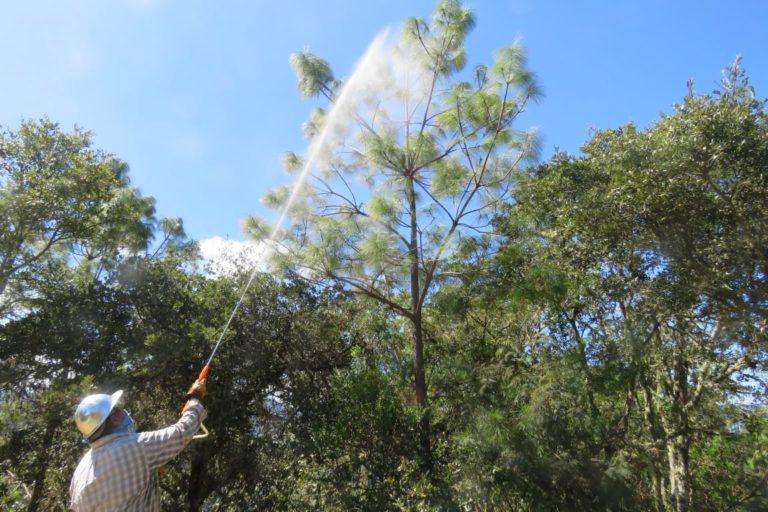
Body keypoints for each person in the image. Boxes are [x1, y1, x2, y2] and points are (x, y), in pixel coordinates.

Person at [69, 379, 208, 511]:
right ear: (115, 418)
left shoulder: (81, 469)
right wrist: (195, 398)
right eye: (120, 409)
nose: (125, 413)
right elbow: (182, 432)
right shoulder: (137, 447)